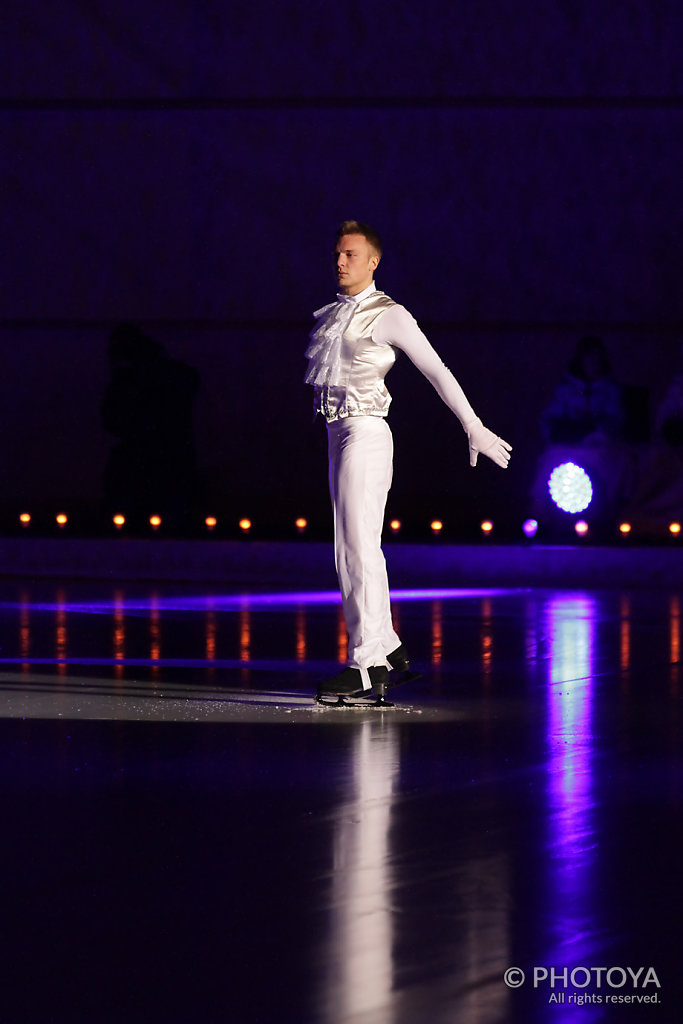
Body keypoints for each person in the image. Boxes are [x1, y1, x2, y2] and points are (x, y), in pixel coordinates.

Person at [305, 220, 511, 701]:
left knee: (359, 548)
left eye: (351, 255)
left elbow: (436, 369)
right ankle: (384, 647)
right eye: (338, 254)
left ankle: (365, 661)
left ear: (373, 262)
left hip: (367, 432)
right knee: (348, 551)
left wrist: (473, 425)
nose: (340, 262)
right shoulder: (339, 312)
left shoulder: (389, 313)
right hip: (338, 434)